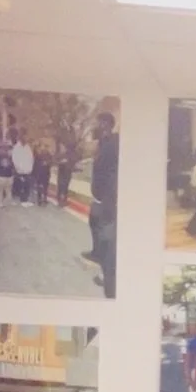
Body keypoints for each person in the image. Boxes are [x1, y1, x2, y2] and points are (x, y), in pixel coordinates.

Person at [84, 110, 119, 298]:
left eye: (99, 123)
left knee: (107, 236)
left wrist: (109, 196)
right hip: (99, 194)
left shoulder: (114, 142)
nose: (97, 126)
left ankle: (106, 275)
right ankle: (97, 254)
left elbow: (112, 169)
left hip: (108, 196)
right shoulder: (103, 142)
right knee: (94, 223)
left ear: (106, 124)